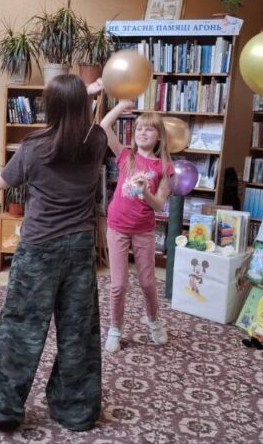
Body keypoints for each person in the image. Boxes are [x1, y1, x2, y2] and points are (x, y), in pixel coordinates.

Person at [0, 74, 106, 432]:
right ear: (82, 105)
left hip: (39, 248)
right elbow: (88, 123)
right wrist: (88, 94)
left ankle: (5, 407)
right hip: (80, 246)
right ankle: (76, 410)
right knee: (78, 331)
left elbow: (2, 182)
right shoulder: (96, 141)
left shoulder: (34, 147)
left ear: (51, 107)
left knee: (22, 326)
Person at [99, 104, 173, 353]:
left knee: (148, 283)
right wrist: (121, 106)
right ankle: (115, 329)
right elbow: (104, 126)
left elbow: (159, 204)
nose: (142, 132)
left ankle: (154, 321)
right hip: (117, 227)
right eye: (139, 128)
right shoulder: (126, 156)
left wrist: (145, 192)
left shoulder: (164, 166)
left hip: (143, 230)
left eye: (149, 129)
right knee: (118, 285)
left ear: (159, 136)